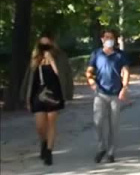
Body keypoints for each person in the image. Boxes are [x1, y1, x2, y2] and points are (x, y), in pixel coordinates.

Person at [20, 32, 73, 166]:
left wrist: (52, 60)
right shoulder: (35, 58)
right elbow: (30, 79)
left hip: (54, 94)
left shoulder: (60, 56)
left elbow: (63, 75)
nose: (45, 47)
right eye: (42, 44)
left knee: (51, 122)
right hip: (38, 94)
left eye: (47, 44)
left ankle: (49, 151)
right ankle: (43, 142)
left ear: (52, 44)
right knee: (40, 125)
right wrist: (27, 97)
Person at [86, 29, 130, 163]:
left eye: (111, 37)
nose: (108, 39)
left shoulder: (120, 55)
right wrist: (91, 82)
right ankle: (101, 147)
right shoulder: (96, 54)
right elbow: (89, 71)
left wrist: (124, 88)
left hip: (115, 94)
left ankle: (111, 152)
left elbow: (126, 71)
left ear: (115, 39)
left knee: (113, 125)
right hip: (100, 93)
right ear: (102, 39)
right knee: (98, 122)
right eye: (106, 37)